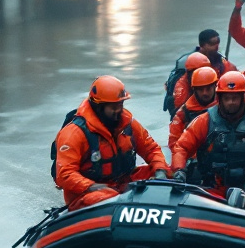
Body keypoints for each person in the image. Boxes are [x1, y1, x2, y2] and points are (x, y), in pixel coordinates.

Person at [170, 70, 245, 213]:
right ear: (219, 98)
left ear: (243, 97)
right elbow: (181, 147)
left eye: (235, 98)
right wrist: (179, 170)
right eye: (227, 98)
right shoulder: (205, 120)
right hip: (215, 186)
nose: (231, 102)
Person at [53, 76, 168, 210]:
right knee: (107, 198)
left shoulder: (128, 124)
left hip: (123, 184)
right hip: (88, 193)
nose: (118, 111)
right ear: (98, 106)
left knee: (167, 174)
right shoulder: (75, 133)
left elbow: (151, 149)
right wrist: (90, 186)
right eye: (113, 107)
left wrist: (160, 171)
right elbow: (65, 174)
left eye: (120, 105)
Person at [169, 66, 219, 153]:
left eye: (208, 89)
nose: (205, 93)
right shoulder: (183, 112)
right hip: (196, 160)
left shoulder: (225, 106)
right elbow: (174, 143)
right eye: (201, 89)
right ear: (194, 90)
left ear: (215, 87)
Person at [170, 51, 213, 115]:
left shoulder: (213, 77)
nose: (201, 74)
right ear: (190, 73)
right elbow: (180, 115)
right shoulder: (181, 91)